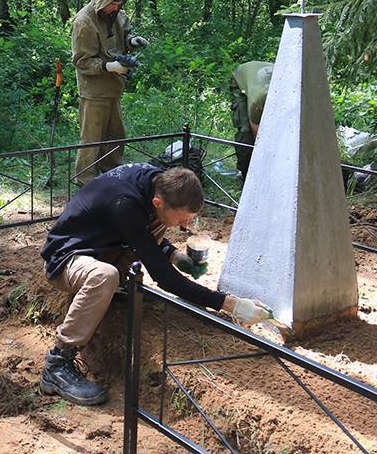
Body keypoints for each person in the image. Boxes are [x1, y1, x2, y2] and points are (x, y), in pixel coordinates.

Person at [38, 163, 273, 405]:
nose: (185, 227)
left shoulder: (158, 182)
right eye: (183, 219)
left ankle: (112, 289)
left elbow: (139, 229)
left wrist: (173, 254)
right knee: (104, 276)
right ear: (158, 203)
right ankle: (57, 363)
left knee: (158, 227)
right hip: (67, 259)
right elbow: (165, 279)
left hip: (103, 245)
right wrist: (231, 304)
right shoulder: (125, 203)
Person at [71, 0, 148, 185]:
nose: (114, 8)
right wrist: (108, 66)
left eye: (118, 3)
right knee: (92, 137)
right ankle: (86, 178)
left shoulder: (118, 16)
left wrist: (132, 41)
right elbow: (81, 61)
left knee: (116, 134)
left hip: (114, 87)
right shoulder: (84, 22)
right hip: (94, 90)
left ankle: (112, 173)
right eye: (112, 3)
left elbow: (123, 38)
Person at [230, 61, 273, 179]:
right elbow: (257, 136)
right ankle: (246, 173)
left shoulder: (291, 94)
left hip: (259, 73)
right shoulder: (258, 98)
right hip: (240, 79)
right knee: (246, 133)